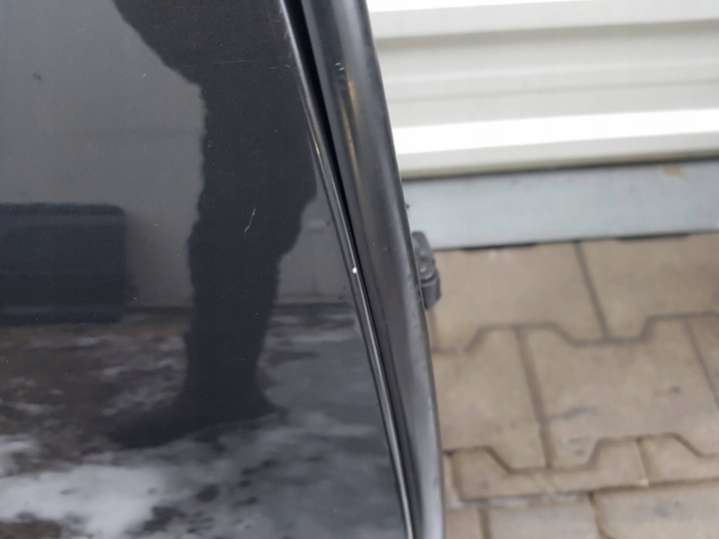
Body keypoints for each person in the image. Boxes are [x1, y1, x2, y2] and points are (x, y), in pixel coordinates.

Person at [111, 0, 316, 447]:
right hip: (250, 103)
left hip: (267, 103)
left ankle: (223, 394)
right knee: (229, 247)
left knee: (233, 248)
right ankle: (224, 391)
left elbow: (228, 51)